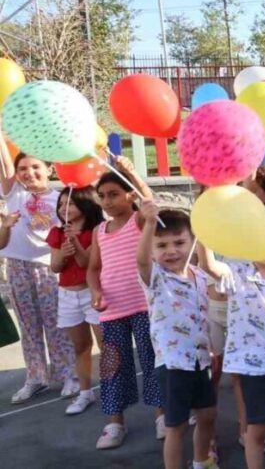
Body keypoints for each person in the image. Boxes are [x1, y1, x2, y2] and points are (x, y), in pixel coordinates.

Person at [197, 204, 265, 469]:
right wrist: (203, 230)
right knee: (256, 429)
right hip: (254, 366)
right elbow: (207, 264)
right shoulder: (237, 272)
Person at [86, 165, 163, 450]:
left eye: (114, 194)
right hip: (112, 310)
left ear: (129, 195)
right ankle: (115, 422)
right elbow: (93, 269)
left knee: (152, 360)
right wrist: (95, 292)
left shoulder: (139, 221)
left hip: (144, 306)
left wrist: (132, 174)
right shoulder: (99, 231)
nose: (107, 201)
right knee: (113, 366)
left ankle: (162, 416)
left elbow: (149, 201)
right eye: (102, 196)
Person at [135, 202, 217, 469]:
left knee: (207, 416)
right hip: (173, 364)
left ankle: (201, 461)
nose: (171, 251)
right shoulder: (155, 278)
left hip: (201, 360)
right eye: (161, 245)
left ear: (192, 241)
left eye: (179, 242)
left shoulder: (200, 275)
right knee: (176, 426)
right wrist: (149, 224)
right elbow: (142, 260)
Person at [0, 143, 76, 405]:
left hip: (48, 267)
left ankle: (68, 373)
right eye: (22, 169)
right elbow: (4, 165)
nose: (28, 173)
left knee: (56, 322)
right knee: (28, 324)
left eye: (35, 167)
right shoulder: (14, 194)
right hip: (17, 266)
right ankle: (35, 376)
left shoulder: (60, 200)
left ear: (49, 169)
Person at [45, 187, 105, 415]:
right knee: (81, 347)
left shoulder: (97, 231)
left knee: (105, 345)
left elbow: (86, 264)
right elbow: (55, 266)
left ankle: (112, 388)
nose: (63, 208)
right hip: (67, 296)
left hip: (92, 292)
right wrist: (63, 252)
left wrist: (76, 245)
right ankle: (85, 392)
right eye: (61, 204)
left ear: (86, 205)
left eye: (69, 204)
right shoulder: (56, 233)